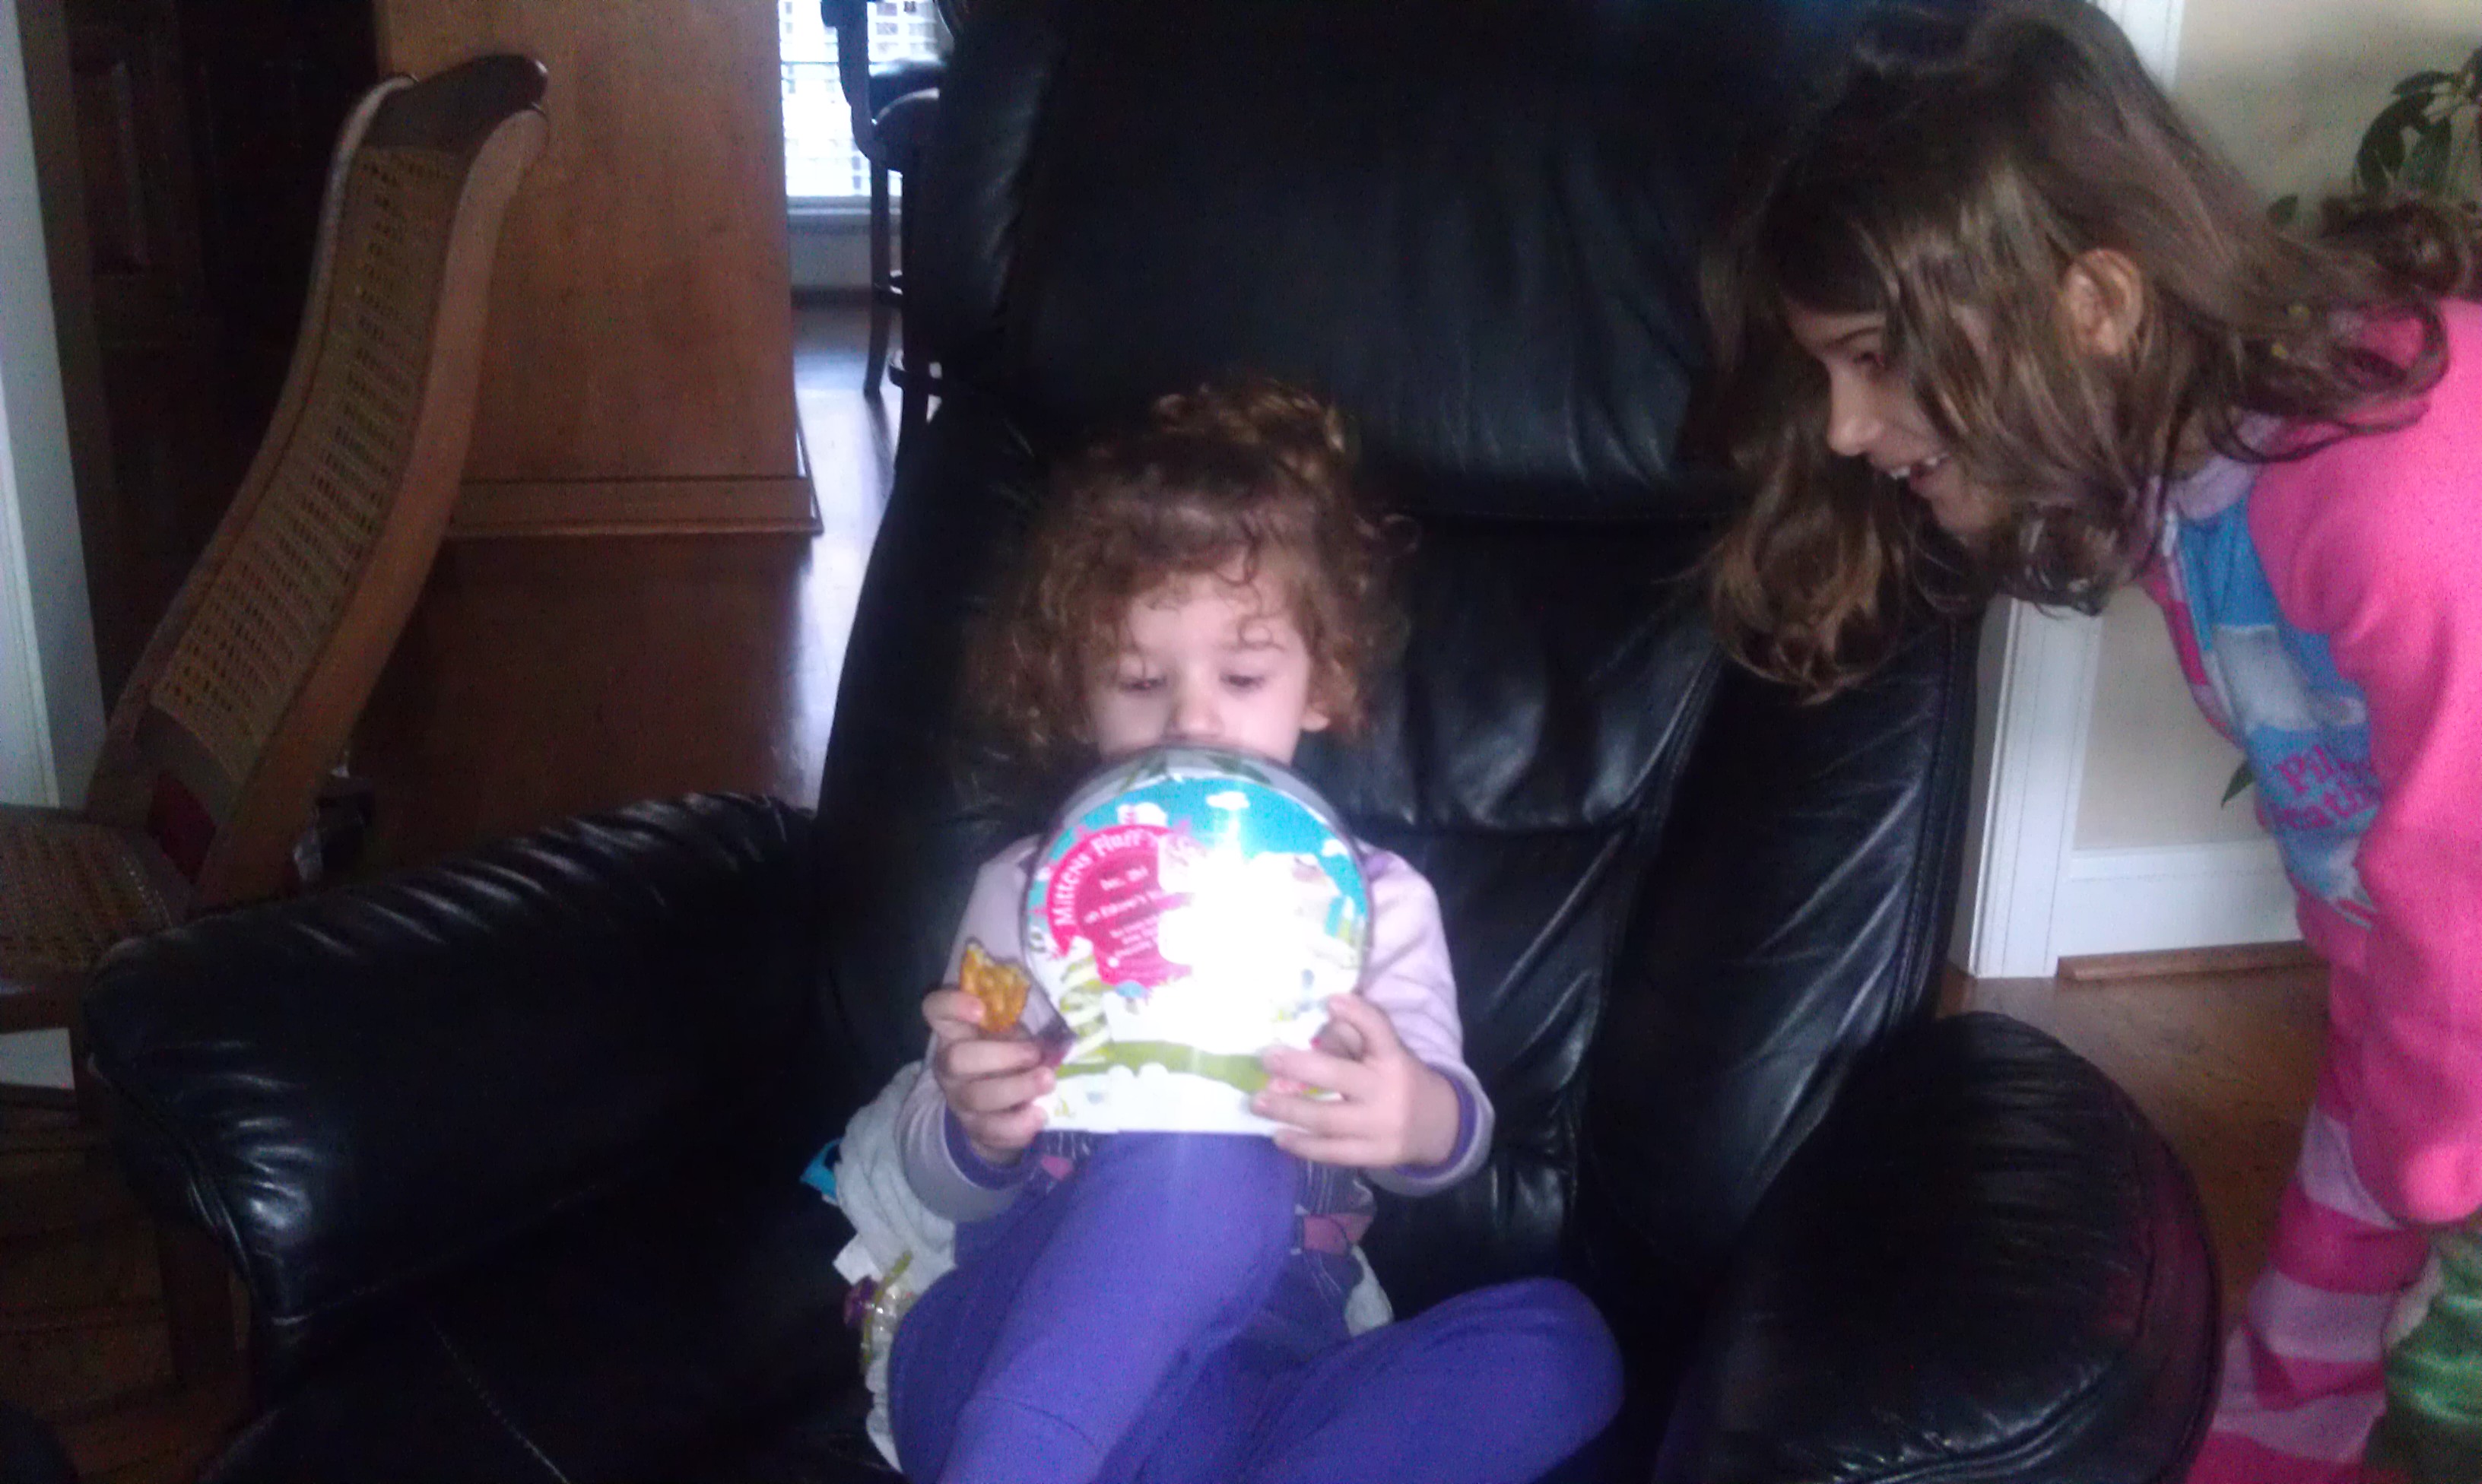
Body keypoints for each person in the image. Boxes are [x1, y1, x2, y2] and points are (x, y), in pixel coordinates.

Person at [1696, 3, 2480, 1480]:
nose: (1848, 428)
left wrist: (2442, 1170)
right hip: (2413, 1008)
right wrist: (2387, 1096)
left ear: (2096, 305)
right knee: (2295, 1361)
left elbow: (2465, 861)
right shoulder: (2200, 507)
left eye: (1876, 359)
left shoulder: (2393, 489)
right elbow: (2360, 842)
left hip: (2465, 1022)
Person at [885, 381, 1623, 1484]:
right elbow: (936, 1177)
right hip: (1015, 1350)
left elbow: (1445, 1129)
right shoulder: (1033, 887)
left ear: (1322, 681)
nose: (1193, 719)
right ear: (1078, 697)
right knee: (1214, 1157)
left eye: (1242, 674)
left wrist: (1414, 1116)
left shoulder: (1376, 904)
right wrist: (973, 1128)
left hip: (1259, 1378)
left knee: (1564, 1350)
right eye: (1139, 680)